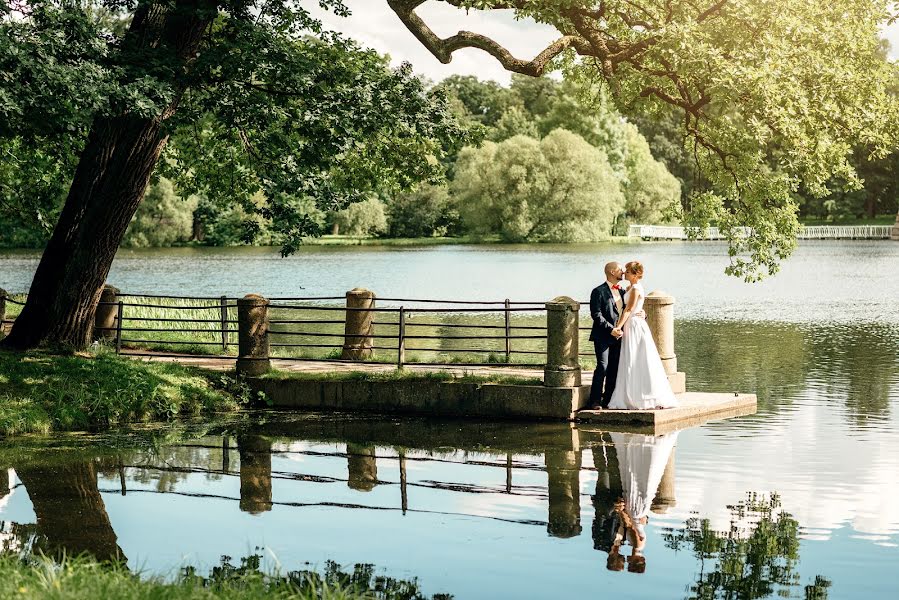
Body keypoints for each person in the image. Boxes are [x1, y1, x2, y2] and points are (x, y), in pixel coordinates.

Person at [607, 261, 678, 410]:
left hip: (634, 326)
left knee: (638, 358)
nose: (624, 273)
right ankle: (628, 394)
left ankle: (642, 397)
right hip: (630, 325)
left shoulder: (636, 288)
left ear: (633, 274)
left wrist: (617, 327)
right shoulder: (628, 288)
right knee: (629, 359)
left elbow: (628, 309)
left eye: (626, 271)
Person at [587, 262, 628, 409]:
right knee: (602, 367)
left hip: (620, 336)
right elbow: (596, 315)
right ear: (611, 272)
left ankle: (609, 400)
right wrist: (611, 329)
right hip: (603, 336)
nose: (623, 271)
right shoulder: (598, 291)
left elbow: (630, 309)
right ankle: (595, 401)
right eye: (620, 269)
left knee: (614, 368)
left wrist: (644, 314)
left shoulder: (623, 291)